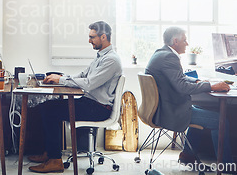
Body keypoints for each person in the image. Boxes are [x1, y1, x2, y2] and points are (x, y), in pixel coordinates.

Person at [28, 21, 122, 173]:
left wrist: (61, 80)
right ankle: (51, 153)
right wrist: (62, 77)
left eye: (92, 37)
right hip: (91, 103)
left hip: (98, 108)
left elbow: (89, 83)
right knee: (48, 106)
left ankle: (54, 161)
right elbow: (83, 75)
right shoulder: (101, 56)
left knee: (49, 110)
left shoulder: (111, 60)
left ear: (103, 37)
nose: (89, 40)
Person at [145, 27, 235, 172]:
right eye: (184, 40)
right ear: (175, 41)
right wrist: (211, 86)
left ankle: (188, 155)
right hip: (172, 112)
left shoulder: (161, 54)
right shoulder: (169, 57)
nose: (187, 44)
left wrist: (198, 81)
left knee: (201, 110)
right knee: (221, 120)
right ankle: (226, 166)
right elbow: (182, 87)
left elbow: (179, 78)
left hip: (164, 109)